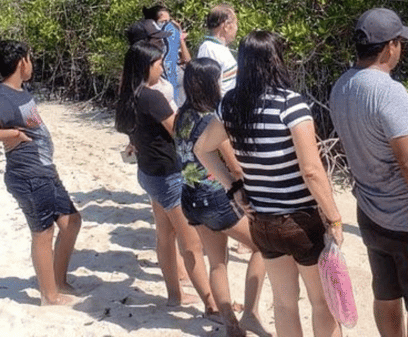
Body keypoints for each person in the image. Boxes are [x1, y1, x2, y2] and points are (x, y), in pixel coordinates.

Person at [195, 30, 343, 337]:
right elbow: (312, 170)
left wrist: (233, 188)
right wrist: (334, 217)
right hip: (302, 220)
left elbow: (202, 149)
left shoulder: (231, 104)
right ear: (276, 60)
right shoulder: (291, 104)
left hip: (262, 221)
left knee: (284, 303)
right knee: (322, 303)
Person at [329, 8, 408, 337]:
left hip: (370, 213)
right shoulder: (388, 91)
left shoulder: (341, 85)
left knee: (386, 293)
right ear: (390, 46)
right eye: (399, 42)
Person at [115, 41, 218, 318]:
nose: (162, 66)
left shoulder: (129, 95)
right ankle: (211, 304)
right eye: (159, 62)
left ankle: (175, 295)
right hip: (169, 175)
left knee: (165, 235)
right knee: (191, 243)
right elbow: (179, 132)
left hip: (149, 174)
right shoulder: (152, 97)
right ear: (146, 67)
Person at [175, 57, 272, 337]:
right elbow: (233, 164)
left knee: (217, 262)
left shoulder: (182, 115)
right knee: (263, 246)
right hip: (216, 199)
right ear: (210, 84)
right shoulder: (211, 118)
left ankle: (231, 324)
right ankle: (251, 313)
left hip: (190, 198)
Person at [0, 40, 82, 305]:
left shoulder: (21, 91)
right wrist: (11, 134)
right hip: (28, 175)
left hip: (45, 171)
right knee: (43, 233)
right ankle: (49, 295)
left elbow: (34, 124)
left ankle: (58, 280)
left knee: (71, 222)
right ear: (21, 62)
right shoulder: (3, 96)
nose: (32, 64)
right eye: (30, 58)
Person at [143, 4, 191, 107]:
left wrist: (180, 38)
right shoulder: (148, 49)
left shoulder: (172, 43)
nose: (167, 25)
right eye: (163, 22)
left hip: (181, 102)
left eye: (168, 21)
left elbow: (188, 61)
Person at [197, 4, 238, 95]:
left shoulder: (218, 48)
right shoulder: (209, 49)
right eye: (236, 23)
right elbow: (209, 87)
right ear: (226, 26)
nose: (236, 28)